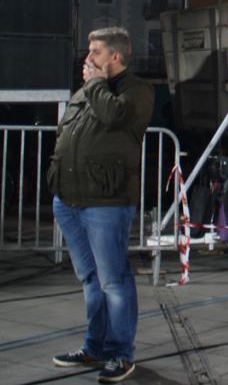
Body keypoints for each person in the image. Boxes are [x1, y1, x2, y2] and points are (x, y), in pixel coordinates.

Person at [49, 27, 154, 383]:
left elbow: (114, 117)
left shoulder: (137, 91)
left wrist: (94, 85)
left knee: (114, 280)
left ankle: (121, 354)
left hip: (106, 203)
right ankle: (95, 348)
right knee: (91, 278)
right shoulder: (89, 90)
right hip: (70, 200)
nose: (87, 59)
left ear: (115, 56)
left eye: (95, 52)